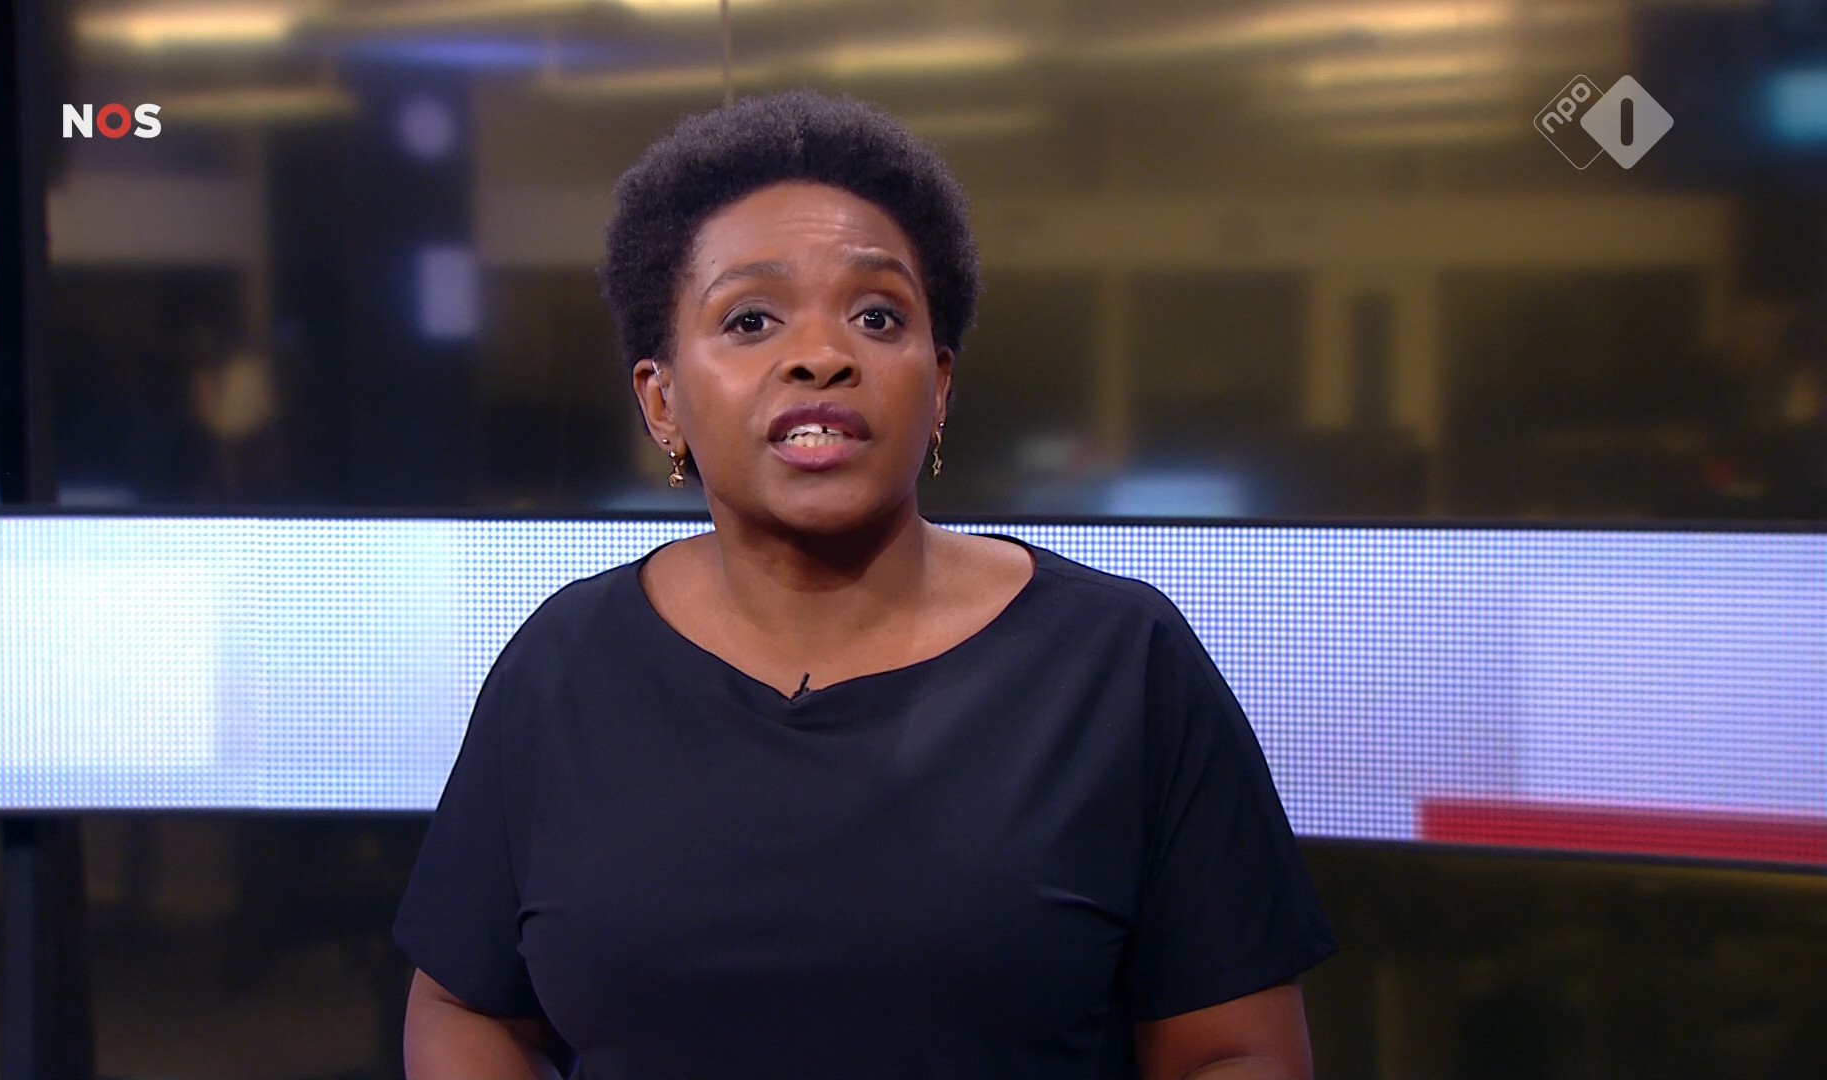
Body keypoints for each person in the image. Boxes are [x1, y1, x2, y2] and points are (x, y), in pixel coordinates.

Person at [393, 90, 1336, 1079]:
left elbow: (1236, 1053)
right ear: (661, 400)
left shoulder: (1121, 665)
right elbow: (463, 1010)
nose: (821, 357)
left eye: (877, 316)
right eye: (751, 319)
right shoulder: (563, 666)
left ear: (940, 386)